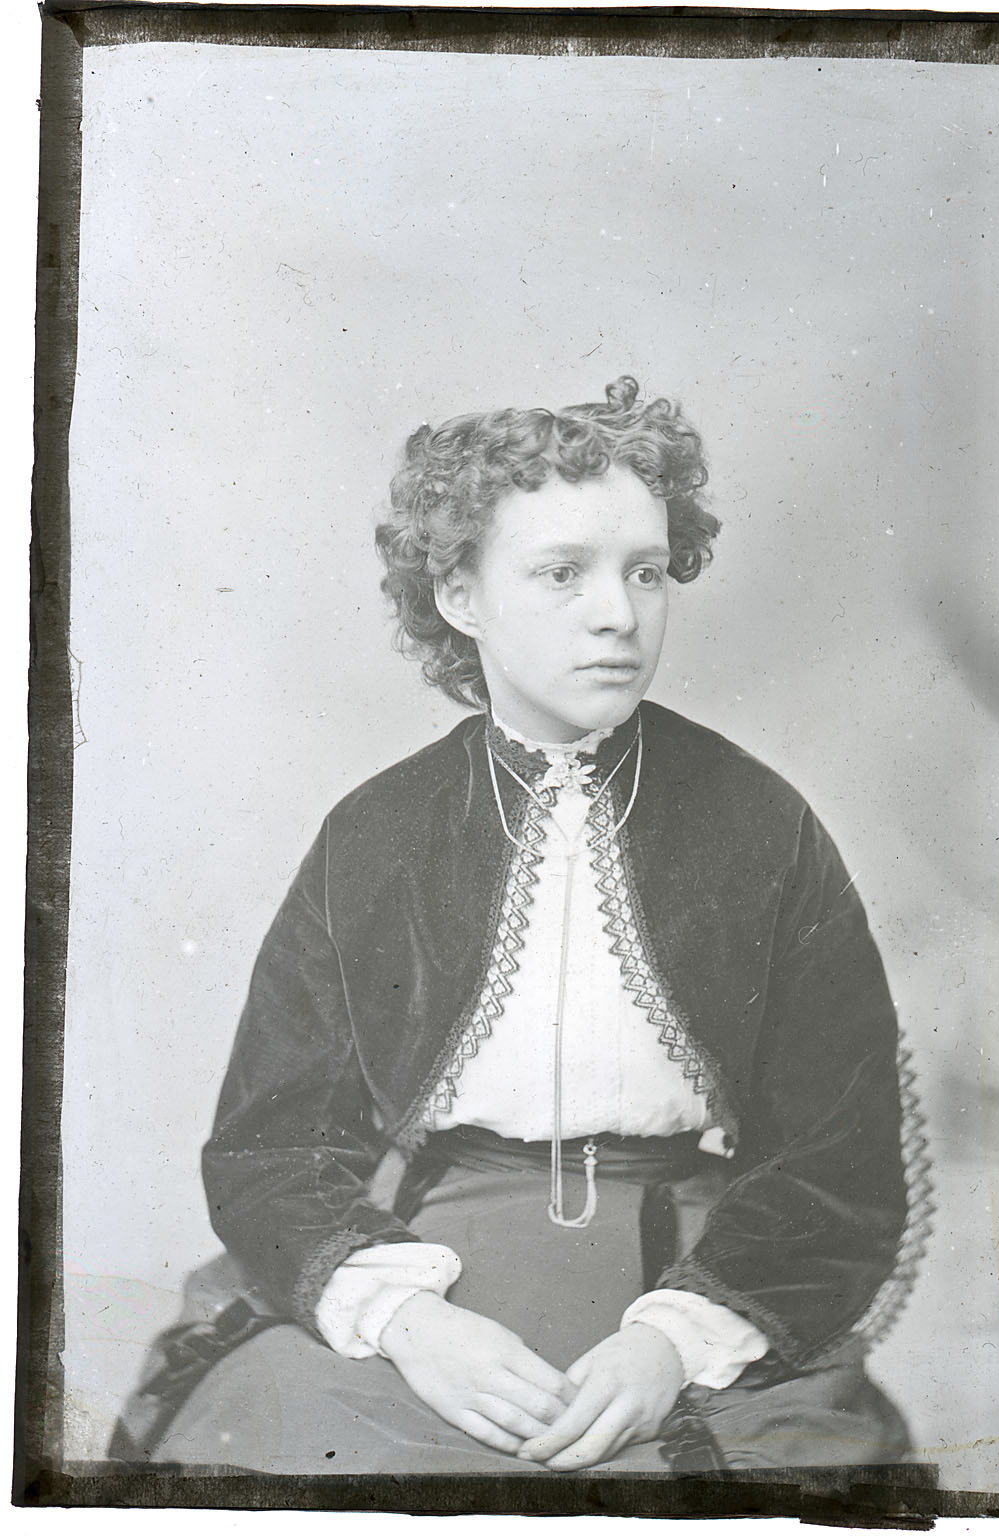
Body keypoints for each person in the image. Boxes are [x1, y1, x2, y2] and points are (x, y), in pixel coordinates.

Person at [144, 376, 927, 1476]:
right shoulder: (376, 833)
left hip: (687, 1277)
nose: (618, 613)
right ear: (460, 595)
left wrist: (668, 1347)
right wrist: (413, 1329)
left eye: (645, 572)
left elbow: (836, 1163)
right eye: (563, 572)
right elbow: (271, 1147)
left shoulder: (760, 823)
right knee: (272, 1446)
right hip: (429, 1269)